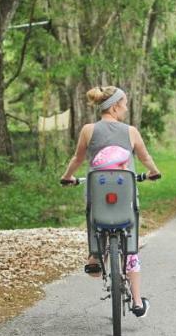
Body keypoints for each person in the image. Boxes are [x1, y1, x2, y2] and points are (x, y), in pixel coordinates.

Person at [59, 85, 161, 319]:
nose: (125, 109)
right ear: (115, 106)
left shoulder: (88, 130)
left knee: (94, 217)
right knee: (131, 237)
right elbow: (145, 157)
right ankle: (137, 302)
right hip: (126, 194)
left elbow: (78, 158)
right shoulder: (131, 131)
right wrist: (154, 172)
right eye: (124, 105)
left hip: (98, 192)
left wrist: (67, 177)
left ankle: (95, 256)